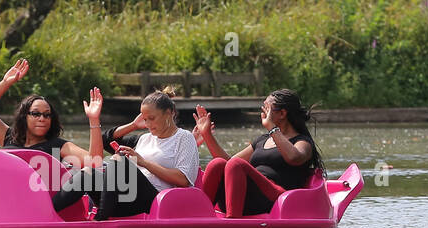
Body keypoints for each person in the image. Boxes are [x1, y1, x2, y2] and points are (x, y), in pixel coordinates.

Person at [52, 90, 200, 220]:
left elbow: (184, 180)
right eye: (145, 119)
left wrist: (144, 163)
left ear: (169, 113)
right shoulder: (144, 138)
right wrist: (133, 125)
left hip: (159, 200)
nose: (147, 124)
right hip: (126, 199)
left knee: (118, 160)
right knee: (88, 173)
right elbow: (106, 141)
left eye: (152, 118)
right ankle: (49, 212)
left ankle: (100, 218)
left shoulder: (184, 138)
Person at [195, 89, 325, 217]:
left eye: (267, 108)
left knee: (237, 164)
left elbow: (294, 157)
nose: (263, 112)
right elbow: (228, 164)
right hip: (245, 196)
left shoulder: (302, 142)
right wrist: (206, 134)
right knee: (217, 164)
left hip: (276, 199)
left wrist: (272, 128)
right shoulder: (262, 140)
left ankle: (233, 226)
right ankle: (198, 217)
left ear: (282, 113)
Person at [0, 58, 103, 167]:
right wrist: (5, 83)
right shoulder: (10, 138)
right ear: (24, 117)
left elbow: (95, 163)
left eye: (47, 115)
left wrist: (94, 119)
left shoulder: (57, 146)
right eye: (36, 114)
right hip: (3, 187)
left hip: (35, 194)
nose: (42, 118)